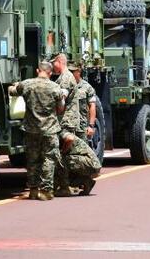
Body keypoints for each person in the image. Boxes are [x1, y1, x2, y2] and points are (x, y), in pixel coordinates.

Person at [8, 61, 65, 201]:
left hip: (31, 129)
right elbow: (60, 109)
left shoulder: (27, 84)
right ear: (50, 73)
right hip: (50, 130)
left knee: (32, 160)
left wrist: (14, 85)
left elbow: (12, 91)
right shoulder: (55, 88)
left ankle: (33, 190)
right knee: (48, 159)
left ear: (38, 70)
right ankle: (46, 191)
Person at [57, 131, 101, 196]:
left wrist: (63, 152)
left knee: (61, 159)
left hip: (91, 163)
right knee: (67, 176)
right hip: (86, 163)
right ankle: (86, 181)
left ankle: (64, 189)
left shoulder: (61, 132)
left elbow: (70, 138)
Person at [69, 62, 97, 142]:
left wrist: (91, 126)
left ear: (79, 71)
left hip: (81, 127)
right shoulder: (64, 85)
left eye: (72, 71)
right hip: (67, 126)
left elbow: (92, 106)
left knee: (82, 152)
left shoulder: (87, 87)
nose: (70, 74)